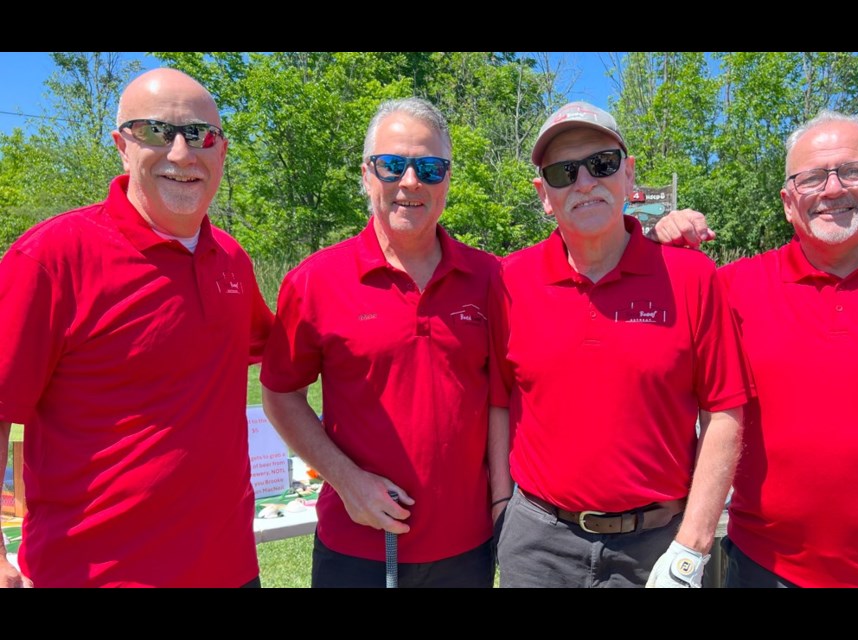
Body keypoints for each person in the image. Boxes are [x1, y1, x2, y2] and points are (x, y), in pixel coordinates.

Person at [653, 110, 858, 588]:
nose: (832, 189)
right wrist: (658, 242)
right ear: (787, 201)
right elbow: (643, 342)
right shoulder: (733, 287)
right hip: (765, 570)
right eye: (812, 177)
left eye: (854, 170)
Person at [0, 68, 274, 588]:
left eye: (200, 135)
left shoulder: (231, 261)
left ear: (221, 150)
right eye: (155, 131)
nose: (180, 153)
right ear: (121, 145)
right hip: (96, 575)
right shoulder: (50, 259)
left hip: (231, 570)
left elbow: (294, 354)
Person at [489, 101, 754, 588]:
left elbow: (723, 414)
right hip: (539, 544)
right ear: (544, 194)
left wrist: (692, 546)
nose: (585, 182)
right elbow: (499, 404)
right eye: (564, 171)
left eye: (603, 164)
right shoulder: (509, 281)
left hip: (657, 544)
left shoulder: (691, 276)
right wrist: (502, 507)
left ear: (629, 176)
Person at [259, 97, 509, 588]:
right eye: (393, 165)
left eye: (430, 168)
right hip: (357, 545)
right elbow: (280, 394)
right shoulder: (315, 281)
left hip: (468, 549)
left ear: (447, 180)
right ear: (367, 175)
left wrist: (660, 242)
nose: (410, 182)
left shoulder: (491, 277)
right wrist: (347, 481)